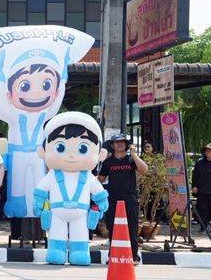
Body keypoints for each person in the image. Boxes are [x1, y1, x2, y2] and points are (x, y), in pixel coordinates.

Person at [33, 113, 109, 266]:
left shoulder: (88, 176)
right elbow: (41, 190)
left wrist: (102, 202)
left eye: (83, 148)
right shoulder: (52, 174)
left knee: (80, 234)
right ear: (43, 151)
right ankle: (56, 251)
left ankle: (79, 252)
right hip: (57, 212)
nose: (72, 155)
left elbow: (99, 192)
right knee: (56, 233)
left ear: (100, 154)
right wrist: (39, 202)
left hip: (81, 214)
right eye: (60, 147)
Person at [98, 133, 149, 263]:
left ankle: (133, 255)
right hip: (113, 199)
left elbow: (144, 170)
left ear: (126, 145)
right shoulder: (108, 162)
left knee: (132, 227)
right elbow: (100, 179)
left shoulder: (131, 159)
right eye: (117, 142)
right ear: (113, 145)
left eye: (122, 142)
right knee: (113, 227)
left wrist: (134, 154)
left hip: (130, 198)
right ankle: (113, 256)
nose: (120, 144)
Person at [192, 143, 211, 234]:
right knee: (202, 210)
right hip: (202, 190)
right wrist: (194, 186)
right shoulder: (200, 163)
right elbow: (195, 175)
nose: (207, 152)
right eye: (206, 150)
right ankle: (203, 228)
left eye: (209, 150)